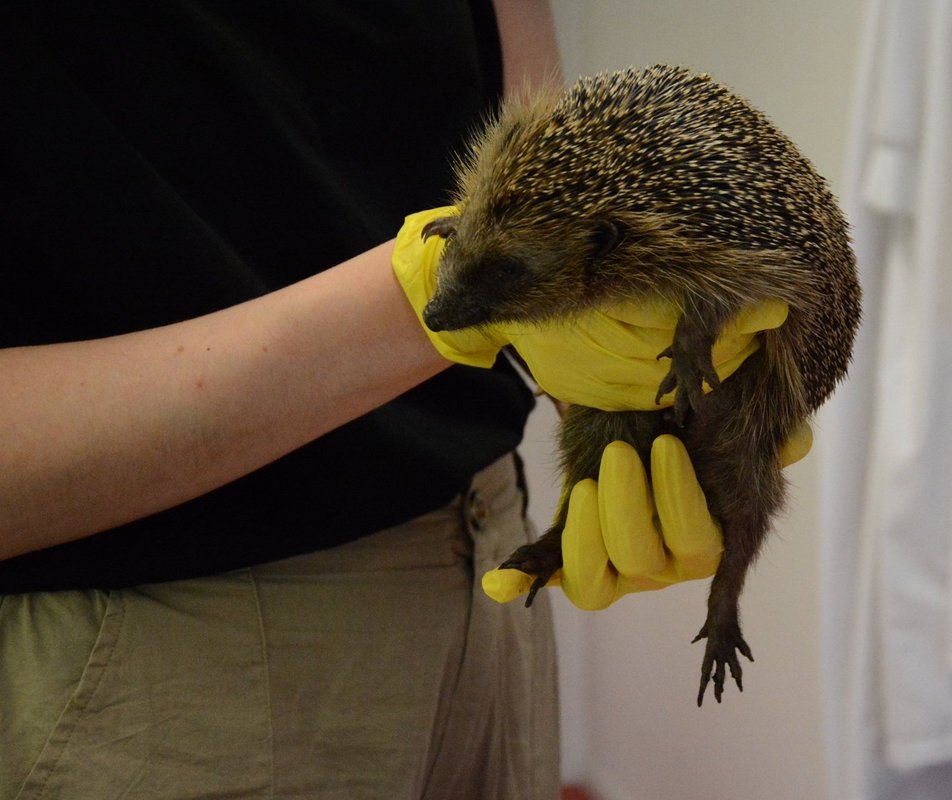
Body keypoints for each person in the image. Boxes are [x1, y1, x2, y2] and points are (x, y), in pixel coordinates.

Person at [0, 3, 779, 798]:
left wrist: (590, 338)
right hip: (166, 651)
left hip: (489, 557)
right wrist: (418, 304)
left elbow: (517, 68)